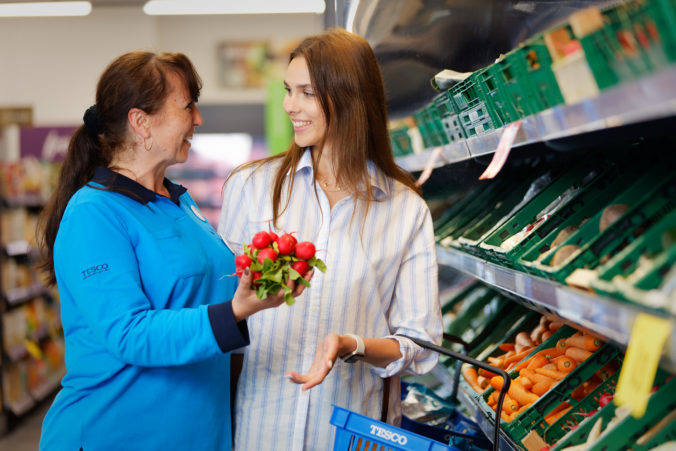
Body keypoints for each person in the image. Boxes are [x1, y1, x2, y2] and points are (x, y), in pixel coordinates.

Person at [37, 51, 308, 451]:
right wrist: (236, 311)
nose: (198, 119)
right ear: (140, 121)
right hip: (115, 433)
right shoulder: (93, 214)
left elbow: (201, 298)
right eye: (187, 106)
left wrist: (263, 280)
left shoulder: (179, 202)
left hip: (196, 432)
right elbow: (129, 334)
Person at [218, 28, 442, 450]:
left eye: (306, 92)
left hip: (350, 433)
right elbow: (219, 310)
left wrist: (353, 345)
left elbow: (421, 345)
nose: (289, 105)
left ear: (349, 97)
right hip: (260, 429)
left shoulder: (404, 209)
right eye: (288, 90)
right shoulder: (251, 187)